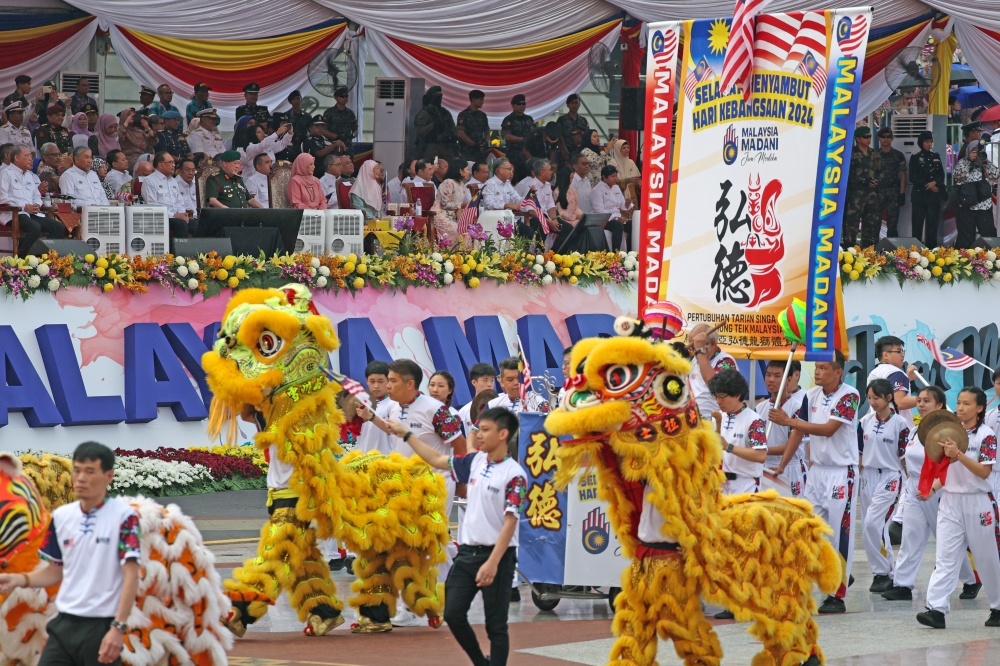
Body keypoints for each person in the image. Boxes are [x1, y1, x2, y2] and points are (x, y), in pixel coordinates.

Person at [384, 407, 525, 666]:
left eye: (485, 430)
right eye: (478, 429)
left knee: (496, 625)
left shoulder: (514, 475)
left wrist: (492, 563)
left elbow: (510, 523)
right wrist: (406, 435)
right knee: (454, 613)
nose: (477, 435)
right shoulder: (475, 462)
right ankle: (481, 663)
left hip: (498, 557)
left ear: (503, 434)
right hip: (467, 554)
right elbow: (438, 460)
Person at [0, 442, 139, 666]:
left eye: (90, 472)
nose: (81, 478)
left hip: (101, 628)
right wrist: (18, 579)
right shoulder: (62, 517)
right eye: (77, 470)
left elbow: (131, 576)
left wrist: (118, 627)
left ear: (108, 476)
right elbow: (55, 572)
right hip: (63, 626)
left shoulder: (124, 518)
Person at [358, 358, 466, 627]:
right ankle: (442, 594)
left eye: (393, 380)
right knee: (414, 542)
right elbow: (392, 428)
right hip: (403, 483)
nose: (388, 385)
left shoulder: (436, 410)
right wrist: (371, 417)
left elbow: (460, 445)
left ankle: (433, 599)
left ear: (409, 383)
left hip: (436, 482)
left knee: (428, 539)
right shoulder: (392, 406)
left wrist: (463, 479)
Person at [772, 350, 860, 614]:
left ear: (838, 372)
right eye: (817, 367)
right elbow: (798, 432)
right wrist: (783, 464)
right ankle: (816, 579)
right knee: (807, 529)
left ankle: (837, 593)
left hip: (841, 472)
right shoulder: (810, 396)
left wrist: (789, 421)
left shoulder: (850, 396)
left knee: (837, 533)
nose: (818, 372)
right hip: (816, 472)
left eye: (823, 368)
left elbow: (830, 429)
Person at [882, 385, 982, 601]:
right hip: (915, 489)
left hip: (940, 489)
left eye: (926, 401)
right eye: (919, 400)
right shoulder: (915, 430)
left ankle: (972, 578)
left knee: (949, 540)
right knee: (911, 535)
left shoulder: (950, 432)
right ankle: (903, 584)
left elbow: (951, 465)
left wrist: (933, 487)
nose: (921, 404)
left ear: (939, 405)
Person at [916, 387, 1000, 629]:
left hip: (979, 502)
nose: (960, 408)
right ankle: (936, 609)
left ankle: (997, 606)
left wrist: (959, 455)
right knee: (945, 557)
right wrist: (933, 488)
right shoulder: (949, 432)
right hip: (951, 501)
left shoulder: (987, 435)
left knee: (987, 559)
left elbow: (984, 472)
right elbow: (948, 469)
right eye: (959, 403)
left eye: (966, 404)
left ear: (980, 408)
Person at [857, 379, 908, 593]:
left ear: (889, 398)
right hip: (868, 476)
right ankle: (882, 574)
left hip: (890, 477)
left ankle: (884, 571)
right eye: (869, 398)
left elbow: (904, 456)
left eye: (876, 397)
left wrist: (911, 481)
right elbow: (859, 454)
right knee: (874, 527)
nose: (872, 401)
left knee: (872, 523)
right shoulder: (864, 422)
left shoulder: (901, 424)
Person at [0, 145, 67, 255]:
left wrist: (37, 204)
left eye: (31, 156)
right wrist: (24, 206)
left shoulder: (29, 175)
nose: (31, 159)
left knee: (58, 227)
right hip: (14, 214)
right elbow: (2, 198)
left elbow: (36, 195)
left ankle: (44, 258)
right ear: (16, 158)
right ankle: (20, 261)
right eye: (27, 156)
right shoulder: (5, 174)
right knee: (34, 227)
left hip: (31, 213)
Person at [756, 359, 807, 496]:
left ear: (788, 379)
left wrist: (762, 451)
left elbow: (793, 444)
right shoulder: (760, 408)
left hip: (789, 468)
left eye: (777, 376)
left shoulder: (797, 407)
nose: (771, 380)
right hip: (764, 468)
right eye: (768, 375)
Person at [953, 140, 999, 248]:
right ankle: (965, 261)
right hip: (966, 207)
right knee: (966, 238)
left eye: (979, 152)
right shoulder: (963, 162)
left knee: (989, 235)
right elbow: (958, 175)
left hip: (984, 206)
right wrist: (969, 160)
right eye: (974, 151)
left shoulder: (984, 164)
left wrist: (986, 161)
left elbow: (996, 175)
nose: (977, 154)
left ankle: (990, 260)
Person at [866, 335, 917, 428]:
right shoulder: (896, 373)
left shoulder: (873, 373)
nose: (903, 355)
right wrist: (929, 398)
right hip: (899, 432)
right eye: (898, 351)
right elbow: (898, 402)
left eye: (902, 351)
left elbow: (886, 393)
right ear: (885, 355)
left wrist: (907, 379)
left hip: (877, 429)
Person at [844, 125, 880, 248]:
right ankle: (850, 249)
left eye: (870, 136)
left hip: (871, 193)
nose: (869, 139)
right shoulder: (851, 153)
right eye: (865, 137)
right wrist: (863, 180)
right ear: (858, 139)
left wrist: (876, 181)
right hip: (856, 193)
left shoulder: (874, 154)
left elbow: (880, 171)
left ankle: (868, 250)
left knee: (870, 222)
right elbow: (846, 173)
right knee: (852, 223)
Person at [144, 151, 195, 238]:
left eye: (173, 162)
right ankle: (178, 251)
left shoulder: (173, 181)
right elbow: (152, 206)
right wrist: (175, 215)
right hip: (160, 218)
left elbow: (180, 202)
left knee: (195, 223)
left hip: (176, 217)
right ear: (161, 165)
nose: (174, 165)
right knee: (181, 224)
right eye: (170, 162)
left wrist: (183, 215)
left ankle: (197, 251)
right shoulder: (149, 181)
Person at [908, 130, 944, 247]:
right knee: (917, 227)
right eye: (927, 142)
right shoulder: (915, 158)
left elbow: (941, 175)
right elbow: (913, 177)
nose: (929, 144)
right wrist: (928, 186)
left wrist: (935, 183)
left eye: (931, 142)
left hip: (934, 198)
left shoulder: (936, 156)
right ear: (921, 143)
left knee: (932, 228)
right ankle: (916, 253)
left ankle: (931, 253)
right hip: (920, 196)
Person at [357, 361, 396, 456]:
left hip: (386, 459)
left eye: (380, 381)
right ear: (366, 381)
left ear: (388, 381)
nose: (376, 386)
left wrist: (370, 417)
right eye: (372, 381)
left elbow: (393, 430)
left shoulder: (394, 403)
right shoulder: (360, 402)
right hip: (361, 458)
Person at [589, 165, 632, 251]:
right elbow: (599, 211)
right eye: (612, 176)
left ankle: (630, 252)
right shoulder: (597, 191)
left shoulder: (616, 187)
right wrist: (616, 218)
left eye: (616, 176)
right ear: (604, 177)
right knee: (618, 225)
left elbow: (621, 205)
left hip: (618, 218)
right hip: (603, 220)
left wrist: (626, 204)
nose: (615, 178)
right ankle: (615, 254)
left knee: (632, 225)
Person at [874, 127, 907, 238]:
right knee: (875, 224)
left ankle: (892, 254)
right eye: (883, 137)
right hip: (877, 191)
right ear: (879, 138)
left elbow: (902, 175)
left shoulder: (898, 155)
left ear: (892, 138)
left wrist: (902, 194)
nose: (886, 139)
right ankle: (872, 251)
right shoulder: (874, 155)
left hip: (893, 192)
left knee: (892, 224)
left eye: (888, 137)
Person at [414, 86, 457, 161]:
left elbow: (453, 128)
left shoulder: (445, 112)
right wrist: (433, 125)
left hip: (446, 146)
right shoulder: (425, 113)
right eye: (436, 95)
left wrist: (452, 136)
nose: (439, 98)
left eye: (440, 95)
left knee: (450, 168)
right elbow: (420, 131)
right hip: (430, 146)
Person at [432, 160, 470, 244]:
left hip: (452, 217)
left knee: (467, 231)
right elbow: (443, 204)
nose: (469, 172)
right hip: (441, 215)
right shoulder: (448, 182)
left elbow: (458, 207)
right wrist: (460, 206)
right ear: (460, 171)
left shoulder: (461, 185)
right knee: (460, 232)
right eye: (467, 169)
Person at [457, 362, 497, 437]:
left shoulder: (501, 403)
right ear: (474, 382)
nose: (490, 384)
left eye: (492, 380)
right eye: (485, 380)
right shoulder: (464, 411)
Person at [501, 94, 534, 183]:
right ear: (512, 105)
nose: (521, 106)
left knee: (528, 181)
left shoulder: (529, 119)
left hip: (527, 156)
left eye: (523, 104)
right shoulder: (509, 120)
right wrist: (523, 139)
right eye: (518, 104)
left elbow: (533, 134)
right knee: (513, 182)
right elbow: (507, 136)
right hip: (514, 157)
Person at [272, 89, 310, 161]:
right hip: (289, 146)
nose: (296, 101)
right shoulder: (286, 116)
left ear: (301, 100)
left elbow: (310, 130)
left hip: (303, 145)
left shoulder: (307, 116)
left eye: (298, 98)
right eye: (294, 99)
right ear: (290, 102)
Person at [322, 87, 357, 156]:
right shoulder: (329, 113)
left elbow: (356, 130)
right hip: (333, 146)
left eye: (346, 96)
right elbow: (323, 131)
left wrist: (351, 135)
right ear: (335, 98)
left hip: (347, 147)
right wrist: (337, 137)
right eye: (342, 96)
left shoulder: (350, 113)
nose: (344, 98)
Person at [457, 89, 490, 162]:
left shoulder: (482, 115)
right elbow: (461, 133)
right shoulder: (463, 115)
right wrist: (473, 144)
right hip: (467, 153)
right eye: (481, 99)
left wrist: (485, 142)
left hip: (480, 153)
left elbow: (487, 131)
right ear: (473, 99)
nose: (483, 102)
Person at [553, 164, 583, 229]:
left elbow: (576, 208)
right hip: (564, 221)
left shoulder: (574, 190)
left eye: (572, 178)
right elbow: (560, 212)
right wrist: (574, 217)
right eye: (570, 178)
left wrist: (581, 215)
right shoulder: (557, 192)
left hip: (575, 219)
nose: (571, 180)